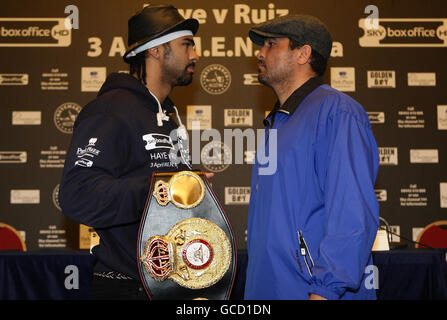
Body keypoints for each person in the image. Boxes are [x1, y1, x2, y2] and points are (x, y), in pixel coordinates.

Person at [59, 4, 200, 299]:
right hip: (126, 287)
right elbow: (76, 194)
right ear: (156, 50)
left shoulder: (168, 113)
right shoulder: (111, 109)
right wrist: (160, 187)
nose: (195, 55)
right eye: (186, 45)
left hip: (168, 284)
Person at [244, 15, 380, 300]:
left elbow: (352, 213)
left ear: (303, 54)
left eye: (271, 44)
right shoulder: (278, 121)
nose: (260, 52)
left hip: (313, 292)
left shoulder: (337, 112)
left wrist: (325, 290)